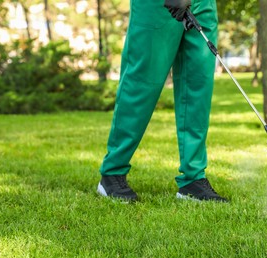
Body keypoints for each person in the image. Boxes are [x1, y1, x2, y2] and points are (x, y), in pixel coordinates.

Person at [97, 0, 227, 202]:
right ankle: (113, 172)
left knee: (198, 85)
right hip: (158, 4)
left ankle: (193, 179)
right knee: (142, 83)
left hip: (203, 3)